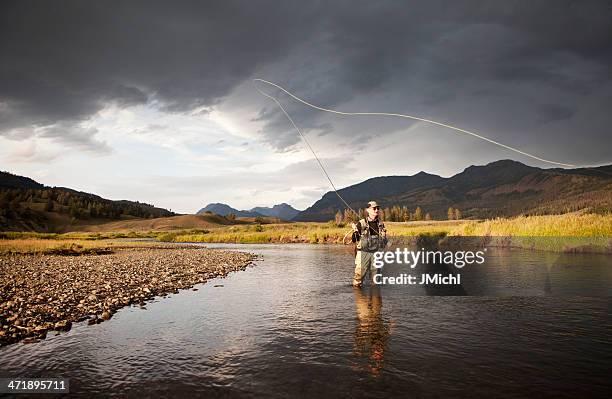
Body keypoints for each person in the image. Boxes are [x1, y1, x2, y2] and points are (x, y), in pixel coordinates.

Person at [351, 201, 387, 287]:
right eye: (374, 208)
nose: (376, 210)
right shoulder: (361, 223)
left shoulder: (381, 224)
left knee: (376, 281)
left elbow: (384, 243)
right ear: (368, 210)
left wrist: (384, 237)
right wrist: (355, 231)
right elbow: (353, 239)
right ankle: (359, 298)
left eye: (378, 208)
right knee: (358, 280)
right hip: (363, 253)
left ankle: (375, 298)